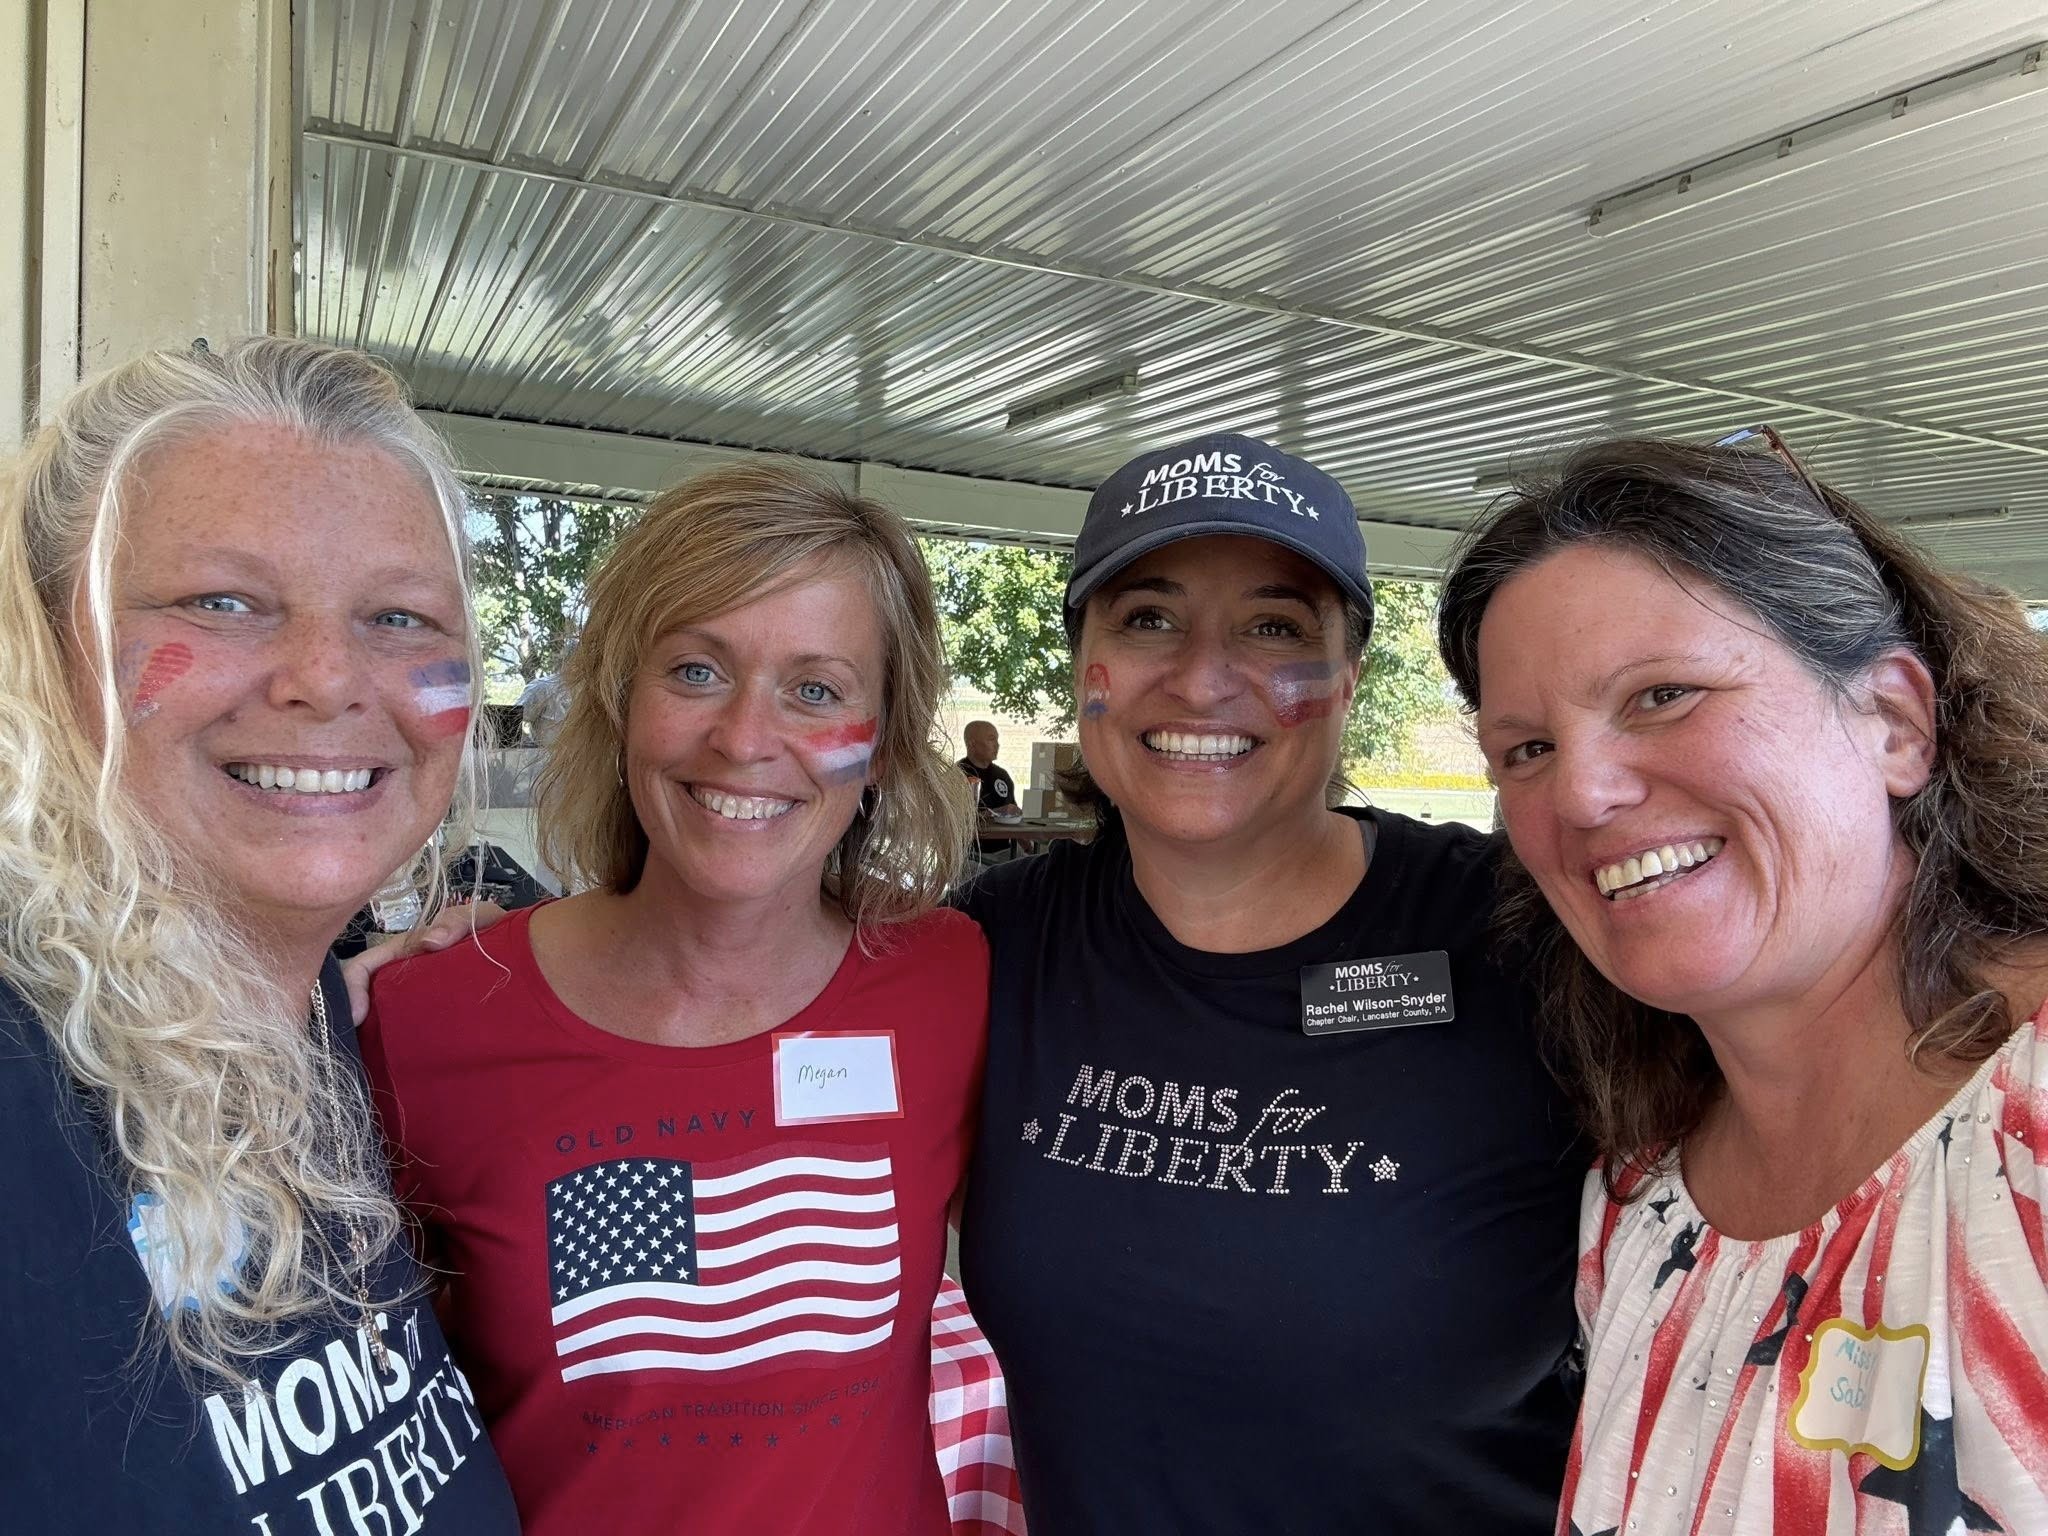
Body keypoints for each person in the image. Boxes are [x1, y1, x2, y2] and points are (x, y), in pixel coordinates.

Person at [956, 433, 1585, 1531]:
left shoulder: (1525, 936)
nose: (1202, 678)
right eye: (1146, 619)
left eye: (1274, 627)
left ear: (1348, 679)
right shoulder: (991, 949)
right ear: (1081, 662)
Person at [359, 464, 991, 1535]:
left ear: (882, 744)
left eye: (816, 690)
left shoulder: (954, 979)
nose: (743, 739)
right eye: (696, 671)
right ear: (622, 700)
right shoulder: (426, 1022)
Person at [1436, 436, 2048, 1535]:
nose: (1580, 795)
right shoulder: (1636, 1199)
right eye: (1524, 750)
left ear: (1894, 722)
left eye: (1662, 695)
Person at [0, 337, 519, 1531]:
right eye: (221, 602)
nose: (326, 678)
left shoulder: (313, 1021)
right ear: (43, 642)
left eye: (398, 616)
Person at [959, 719, 1021, 863]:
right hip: (971, 855)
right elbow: (956, 820)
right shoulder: (957, 775)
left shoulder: (1002, 775)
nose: (997, 745)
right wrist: (995, 812)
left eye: (997, 740)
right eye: (991, 739)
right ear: (972, 744)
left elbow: (1013, 812)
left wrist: (1027, 845)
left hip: (1005, 851)